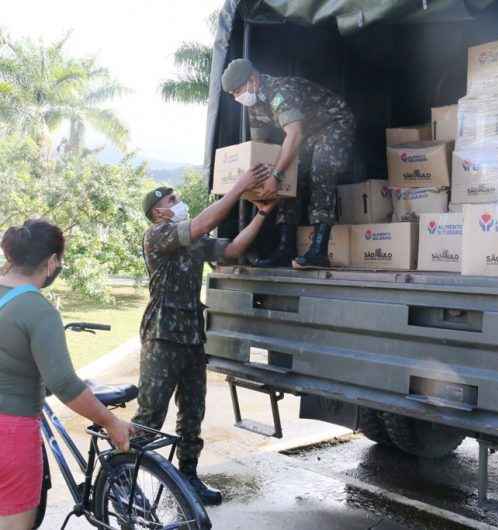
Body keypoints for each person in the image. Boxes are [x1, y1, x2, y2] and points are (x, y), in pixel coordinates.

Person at [132, 164, 275, 506]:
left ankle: (189, 477)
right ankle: (125, 478)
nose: (179, 202)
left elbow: (232, 250)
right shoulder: (157, 235)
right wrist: (239, 186)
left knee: (192, 413)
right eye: (173, 198)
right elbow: (204, 223)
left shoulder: (194, 240)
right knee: (151, 416)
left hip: (192, 337)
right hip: (163, 337)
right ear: (158, 212)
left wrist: (261, 215)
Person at [0, 219, 133, 530]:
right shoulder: (38, 310)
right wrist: (110, 422)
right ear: (51, 262)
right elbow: (64, 384)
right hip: (10, 434)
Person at [221, 58, 356, 269]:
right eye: (234, 94)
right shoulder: (255, 103)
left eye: (239, 90)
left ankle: (319, 251)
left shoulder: (280, 92)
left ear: (253, 80)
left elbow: (294, 134)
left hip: (333, 121)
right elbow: (260, 147)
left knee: (320, 169)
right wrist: (258, 188)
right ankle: (286, 249)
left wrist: (275, 176)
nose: (238, 97)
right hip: (309, 132)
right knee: (291, 177)